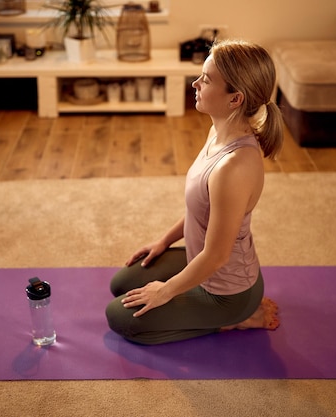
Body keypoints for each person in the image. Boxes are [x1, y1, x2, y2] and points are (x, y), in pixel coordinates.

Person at [105, 39, 283, 345]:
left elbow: (217, 256)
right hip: (199, 258)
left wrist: (165, 290)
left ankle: (239, 319)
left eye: (207, 79)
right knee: (123, 283)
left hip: (227, 293)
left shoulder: (234, 168)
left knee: (122, 320)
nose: (196, 83)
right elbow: (199, 208)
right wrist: (163, 242)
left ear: (235, 99)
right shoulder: (218, 131)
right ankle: (202, 303)